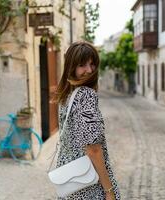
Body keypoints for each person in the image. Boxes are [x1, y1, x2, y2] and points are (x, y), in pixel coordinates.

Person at [55, 41, 120, 200]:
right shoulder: (86, 96)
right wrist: (109, 189)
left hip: (70, 182)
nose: (89, 70)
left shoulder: (66, 95)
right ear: (71, 66)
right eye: (82, 65)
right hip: (89, 181)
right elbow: (93, 149)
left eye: (92, 64)